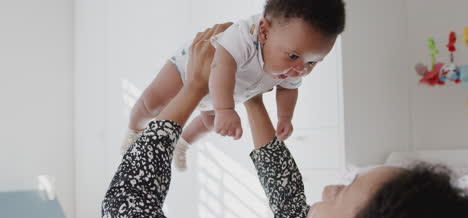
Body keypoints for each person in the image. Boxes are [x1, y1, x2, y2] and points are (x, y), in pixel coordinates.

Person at [102, 25, 468, 218]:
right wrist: (253, 94)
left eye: (340, 195)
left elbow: (126, 212)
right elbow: (289, 205)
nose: (328, 187)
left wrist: (195, 87)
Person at [121, 0, 346, 171]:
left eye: (313, 61)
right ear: (264, 31)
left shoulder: (293, 62)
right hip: (190, 69)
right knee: (153, 104)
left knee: (208, 123)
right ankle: (134, 128)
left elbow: (289, 88)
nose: (302, 68)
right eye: (294, 56)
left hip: (230, 92)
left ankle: (182, 144)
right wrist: (225, 110)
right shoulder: (245, 35)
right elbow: (222, 66)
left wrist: (285, 117)